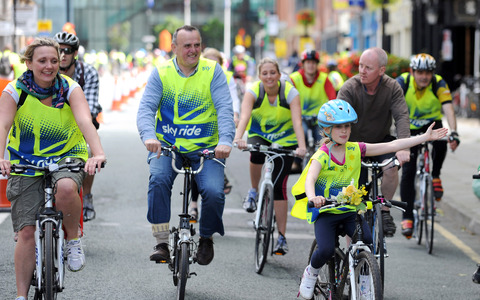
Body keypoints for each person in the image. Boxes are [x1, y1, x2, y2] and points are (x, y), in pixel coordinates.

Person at [291, 100, 448, 299]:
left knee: (367, 243)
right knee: (326, 249)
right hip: (327, 213)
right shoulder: (322, 155)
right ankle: (311, 273)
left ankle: (365, 283)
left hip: (349, 211)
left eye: (347, 126)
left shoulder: (356, 149)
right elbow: (310, 179)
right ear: (327, 130)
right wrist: (314, 198)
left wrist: (424, 137)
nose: (345, 130)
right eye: (339, 126)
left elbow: (391, 145)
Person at [0, 37, 106, 300]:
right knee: (26, 231)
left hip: (66, 155)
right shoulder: (15, 91)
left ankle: (72, 241)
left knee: (67, 188)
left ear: (61, 62)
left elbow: (85, 121)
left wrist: (98, 153)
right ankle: (21, 296)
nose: (49, 66)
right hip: (25, 159)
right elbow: (2, 125)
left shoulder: (70, 88)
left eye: (54, 61)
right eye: (42, 61)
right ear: (29, 63)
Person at [136, 25, 235, 266]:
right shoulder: (162, 73)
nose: (193, 50)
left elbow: (224, 108)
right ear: (174, 48)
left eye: (197, 45)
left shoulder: (213, 71)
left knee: (213, 192)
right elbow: (146, 109)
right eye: (187, 45)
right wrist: (149, 136)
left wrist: (225, 140)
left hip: (207, 149)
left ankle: (206, 237)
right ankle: (161, 241)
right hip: (168, 146)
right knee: (158, 180)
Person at [234, 57, 307, 255]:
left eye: (272, 73)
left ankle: (281, 237)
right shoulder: (253, 92)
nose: (269, 77)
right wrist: (239, 138)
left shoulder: (290, 93)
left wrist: (301, 147)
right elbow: (245, 116)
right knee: (255, 154)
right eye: (264, 73)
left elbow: (297, 122)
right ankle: (253, 191)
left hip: (286, 137)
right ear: (259, 76)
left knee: (279, 186)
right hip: (260, 133)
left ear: (279, 74)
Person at [337, 47, 411, 237]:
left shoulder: (392, 87)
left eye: (368, 67)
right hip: (354, 146)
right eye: (360, 66)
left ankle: (385, 211)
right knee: (356, 197)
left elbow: (401, 116)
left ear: (381, 70)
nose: (362, 70)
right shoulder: (349, 88)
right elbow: (337, 118)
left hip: (380, 143)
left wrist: (404, 146)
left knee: (391, 167)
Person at [53, 31, 103, 222]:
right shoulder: (47, 71)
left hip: (80, 127)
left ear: (75, 53)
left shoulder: (88, 73)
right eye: (59, 50)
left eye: (68, 51)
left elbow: (88, 112)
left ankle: (87, 195)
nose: (63, 55)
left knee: (89, 152)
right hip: (49, 127)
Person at [187, 47, 240, 221]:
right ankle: (193, 205)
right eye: (207, 61)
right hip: (201, 126)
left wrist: (236, 115)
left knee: (212, 163)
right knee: (196, 166)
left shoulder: (227, 77)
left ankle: (218, 178)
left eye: (215, 62)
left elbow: (234, 99)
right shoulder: (196, 74)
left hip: (220, 126)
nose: (211, 65)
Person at [289, 50, 336, 173]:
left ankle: (323, 164)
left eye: (313, 62)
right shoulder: (294, 78)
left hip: (319, 118)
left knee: (322, 139)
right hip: (300, 117)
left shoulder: (324, 78)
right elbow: (286, 96)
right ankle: (297, 162)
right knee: (301, 132)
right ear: (303, 64)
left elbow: (332, 98)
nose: (311, 65)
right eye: (308, 62)